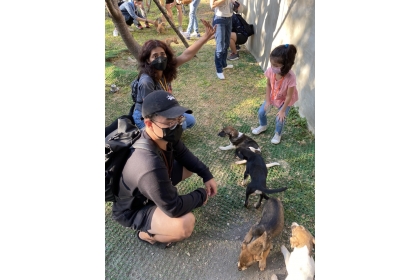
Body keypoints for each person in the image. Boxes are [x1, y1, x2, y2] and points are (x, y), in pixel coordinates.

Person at [112, 90, 218, 246]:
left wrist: (206, 174)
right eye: (169, 122)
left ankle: (160, 195)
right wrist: (201, 195)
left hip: (151, 186)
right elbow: (174, 207)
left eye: (178, 119)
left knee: (189, 167)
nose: (176, 125)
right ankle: (146, 235)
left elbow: (183, 153)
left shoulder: (164, 136)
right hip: (133, 209)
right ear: (148, 123)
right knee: (185, 224)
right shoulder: (147, 164)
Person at [131, 19, 216, 130]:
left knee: (190, 121)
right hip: (145, 116)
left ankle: (169, 132)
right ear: (148, 60)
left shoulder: (166, 67)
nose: (160, 59)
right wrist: (171, 119)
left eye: (162, 54)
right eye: (155, 56)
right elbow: (149, 111)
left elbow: (187, 54)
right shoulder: (146, 81)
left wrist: (206, 37)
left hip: (161, 108)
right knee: (181, 125)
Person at [251, 44, 299, 144]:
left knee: (280, 119)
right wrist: (268, 100)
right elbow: (268, 85)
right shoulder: (271, 71)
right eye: (272, 64)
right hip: (274, 95)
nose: (273, 67)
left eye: (276, 66)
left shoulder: (291, 77)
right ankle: (263, 125)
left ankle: (278, 134)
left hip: (285, 100)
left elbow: (289, 96)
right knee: (261, 112)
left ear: (286, 65)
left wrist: (282, 110)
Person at [210, 0, 235, 80]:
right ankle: (219, 70)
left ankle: (224, 64)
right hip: (219, 18)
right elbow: (212, 5)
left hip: (229, 18)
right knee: (220, 46)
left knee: (226, 43)